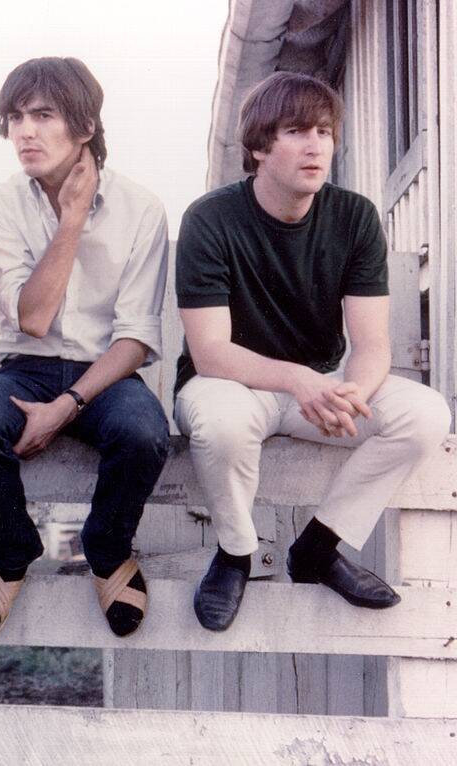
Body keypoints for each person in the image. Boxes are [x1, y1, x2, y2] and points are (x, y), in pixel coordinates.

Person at [174, 71, 452, 632]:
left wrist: (355, 390)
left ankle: (318, 549)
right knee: (220, 423)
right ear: (258, 146)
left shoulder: (353, 216)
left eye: (324, 132)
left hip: (318, 387)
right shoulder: (210, 218)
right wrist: (301, 380)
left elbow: (372, 343)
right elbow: (210, 354)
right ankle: (235, 553)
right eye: (297, 130)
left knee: (426, 415)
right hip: (232, 385)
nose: (315, 145)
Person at [0, 57, 170, 641]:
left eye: (43, 115)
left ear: (85, 126)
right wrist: (70, 221)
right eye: (15, 117)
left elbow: (136, 337)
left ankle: (106, 547)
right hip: (25, 367)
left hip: (107, 373)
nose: (24, 131)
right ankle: (12, 549)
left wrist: (68, 404)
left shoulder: (140, 208)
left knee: (145, 433)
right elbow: (35, 318)